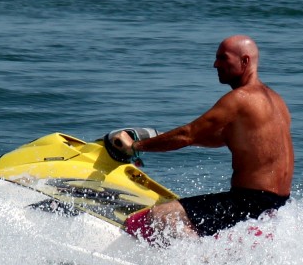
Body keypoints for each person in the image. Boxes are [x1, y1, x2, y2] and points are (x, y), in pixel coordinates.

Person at [105, 35, 293, 240]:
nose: (215, 64)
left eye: (223, 58)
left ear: (245, 61)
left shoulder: (240, 99)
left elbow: (188, 134)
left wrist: (135, 146)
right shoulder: (275, 100)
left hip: (249, 201)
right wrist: (159, 139)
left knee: (160, 217)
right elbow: (222, 137)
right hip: (278, 203)